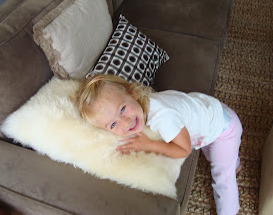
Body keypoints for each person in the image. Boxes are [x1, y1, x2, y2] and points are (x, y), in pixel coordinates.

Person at [75, 74, 243, 215]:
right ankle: (232, 161)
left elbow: (184, 150)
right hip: (209, 109)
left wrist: (149, 145)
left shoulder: (163, 118)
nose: (125, 122)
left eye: (122, 109)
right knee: (213, 151)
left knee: (223, 176)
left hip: (224, 129)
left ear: (132, 93)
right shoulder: (144, 101)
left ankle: (230, 209)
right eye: (113, 124)